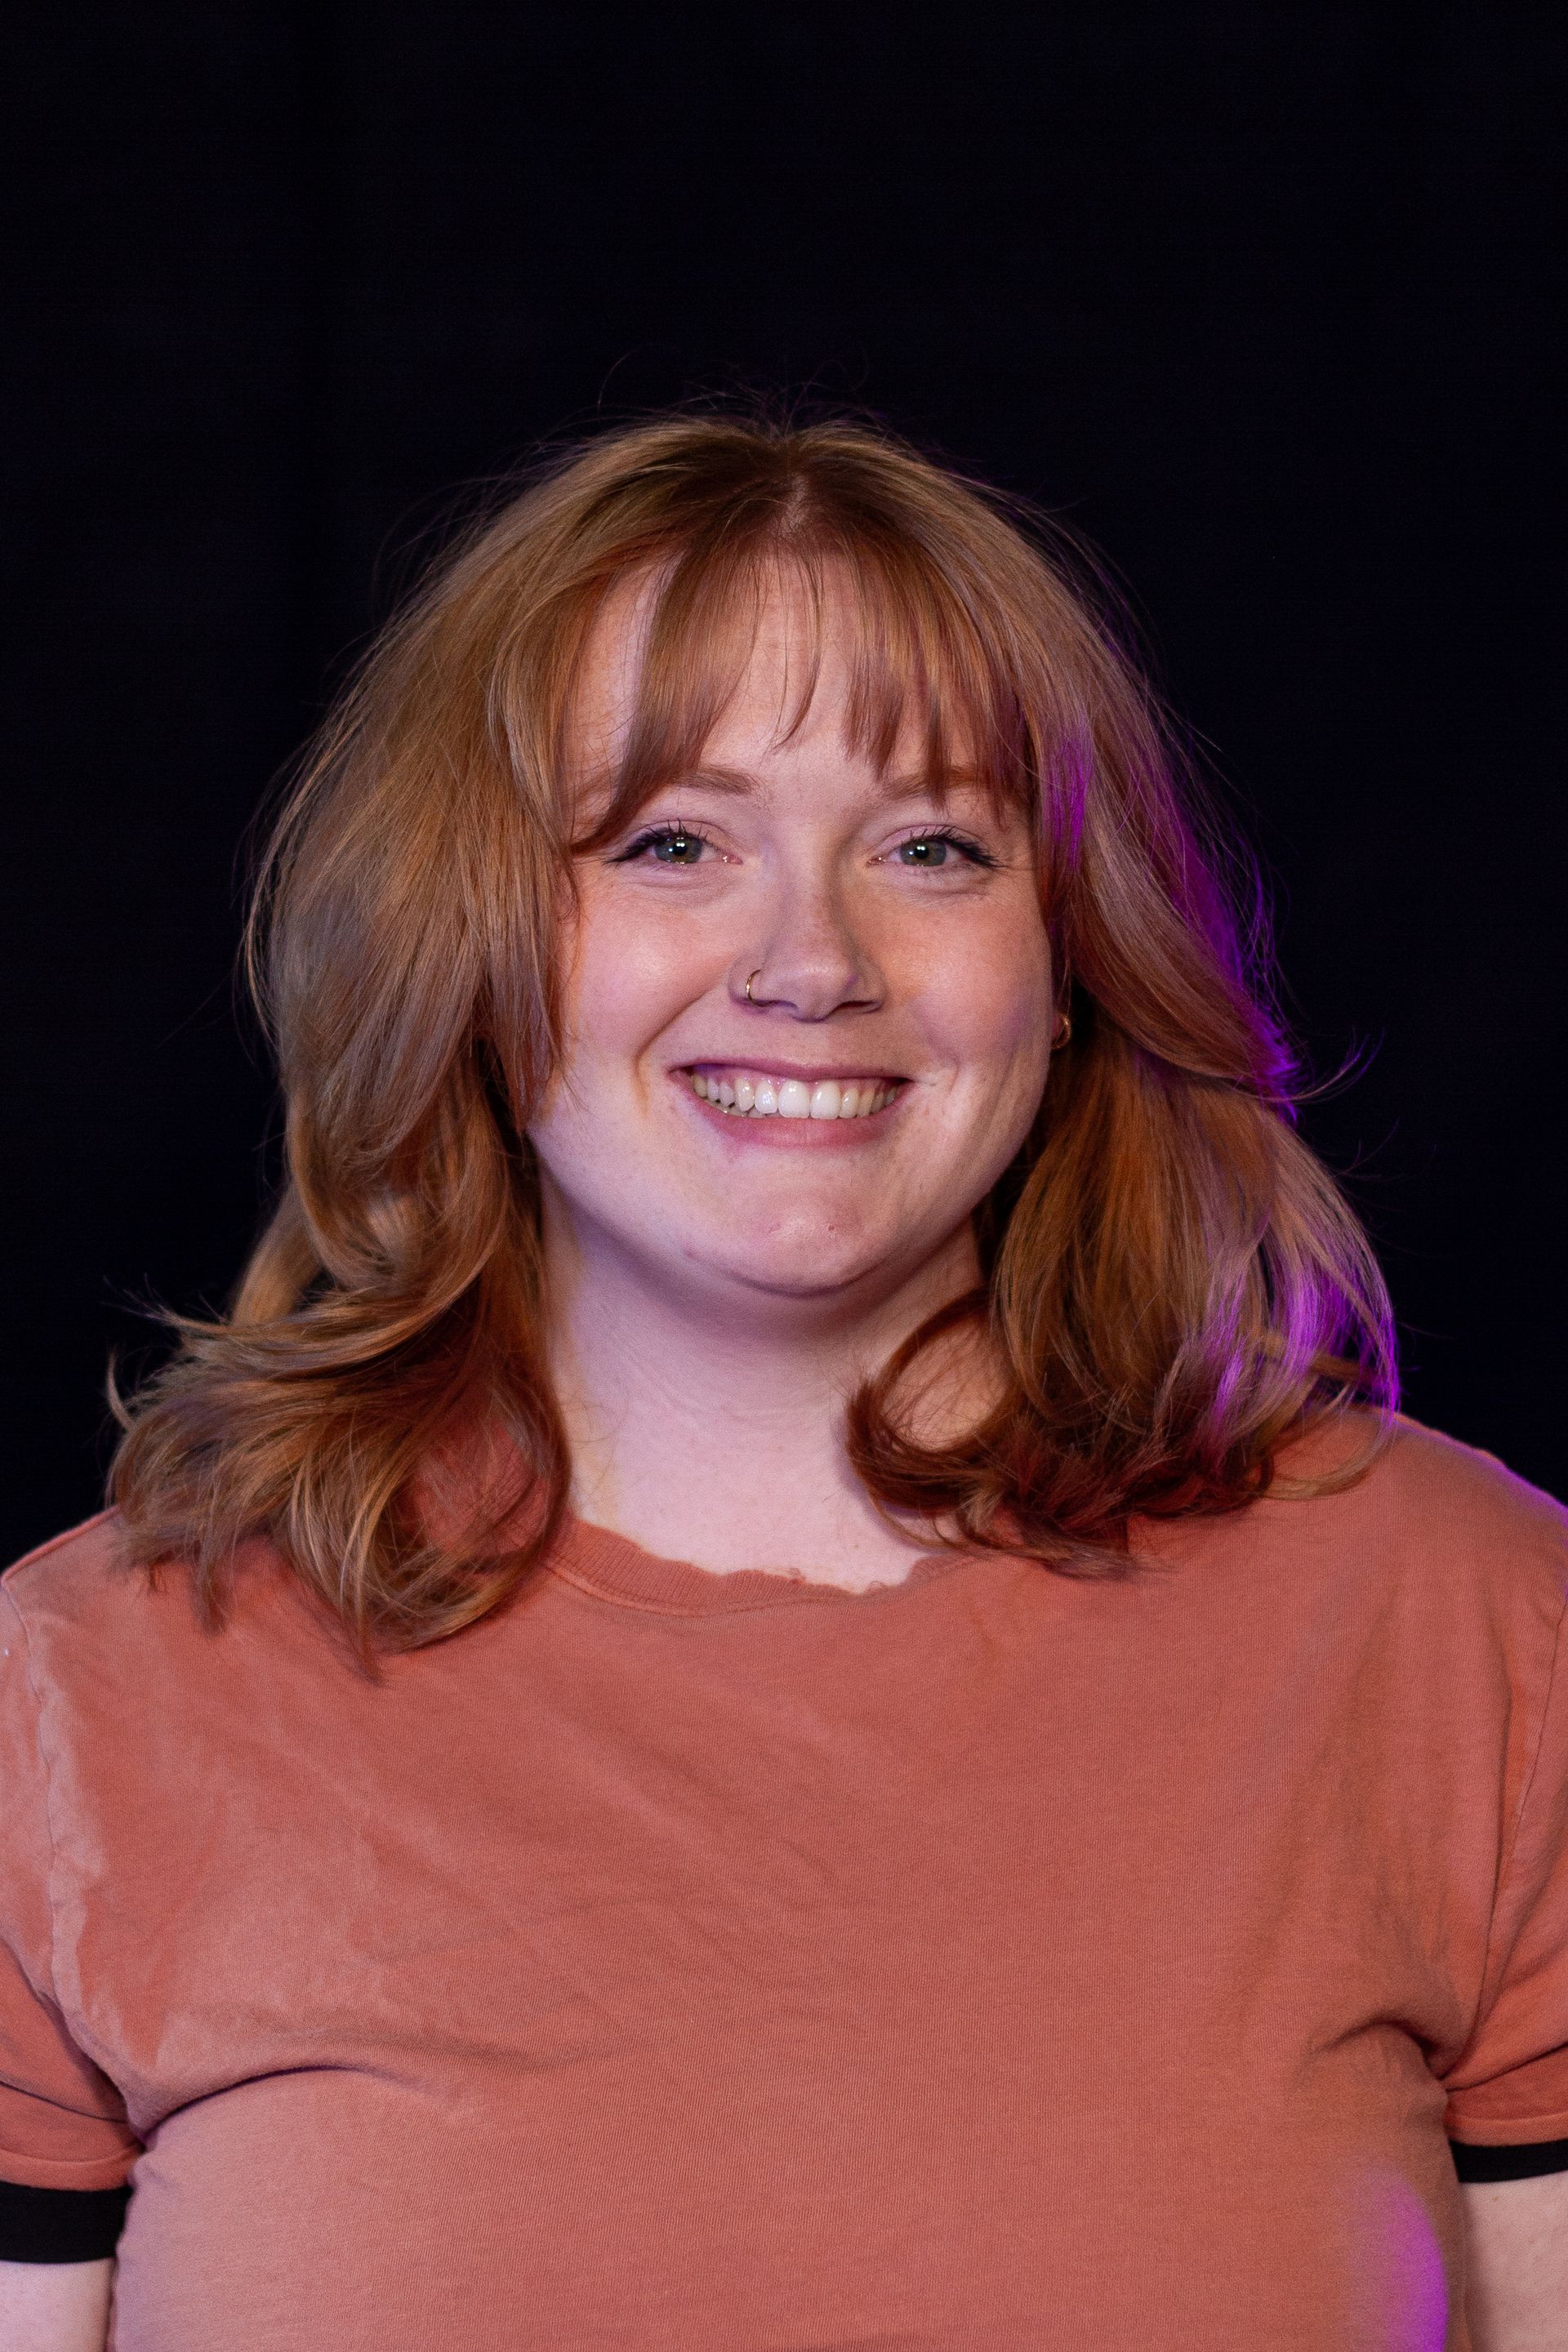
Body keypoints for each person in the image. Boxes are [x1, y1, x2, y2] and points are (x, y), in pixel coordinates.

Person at [2, 411, 1563, 2352]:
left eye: (931, 846)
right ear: (468, 938)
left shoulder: (1473, 1631)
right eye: (672, 841)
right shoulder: (78, 1697)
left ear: (1068, 959)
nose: (810, 959)